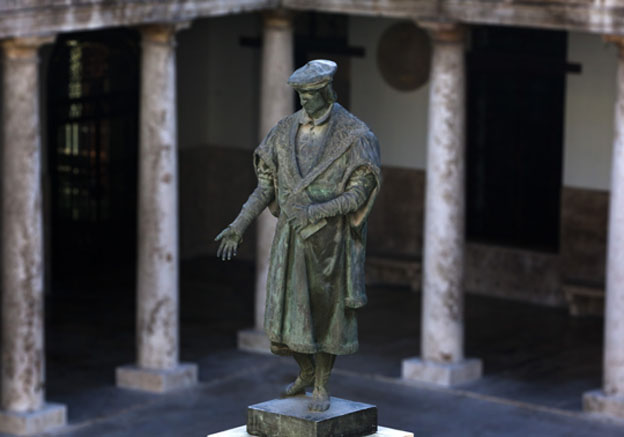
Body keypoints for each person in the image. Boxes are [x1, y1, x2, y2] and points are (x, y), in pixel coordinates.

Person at [216, 59, 381, 412]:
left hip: (330, 244)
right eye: (301, 96)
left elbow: (359, 193)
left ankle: (322, 384)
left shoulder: (356, 136)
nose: (304, 102)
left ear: (327, 92)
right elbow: (266, 186)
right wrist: (239, 225)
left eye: (310, 95)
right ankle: (305, 372)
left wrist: (316, 211)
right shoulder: (283, 131)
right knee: (285, 317)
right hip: (290, 239)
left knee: (325, 316)